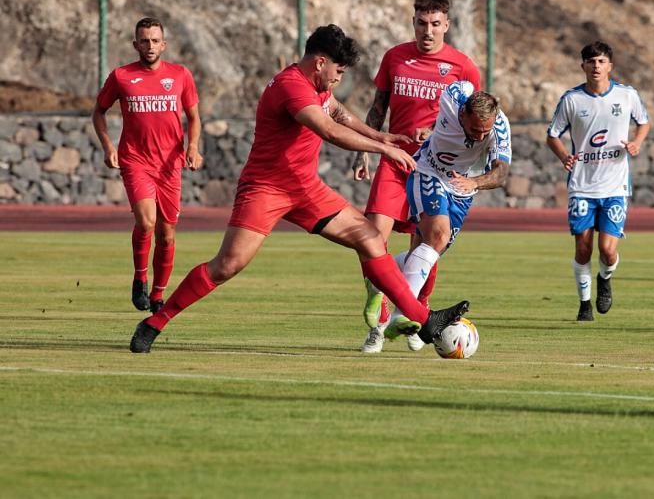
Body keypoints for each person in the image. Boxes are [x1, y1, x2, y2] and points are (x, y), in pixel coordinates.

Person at [129, 24, 469, 353]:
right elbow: (329, 130)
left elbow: (336, 111)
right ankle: (156, 322)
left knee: (368, 238)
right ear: (320, 62)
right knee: (227, 264)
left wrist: (379, 135)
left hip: (306, 188)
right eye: (339, 70)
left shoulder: (319, 84)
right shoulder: (291, 86)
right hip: (266, 188)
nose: (340, 78)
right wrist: (386, 149)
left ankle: (425, 319)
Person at [352, 0, 481, 354]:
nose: (428, 30)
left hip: (435, 169)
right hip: (394, 161)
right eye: (422, 23)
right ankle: (378, 324)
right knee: (371, 239)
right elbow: (378, 109)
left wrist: (440, 136)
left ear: (447, 25)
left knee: (424, 249)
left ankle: (416, 318)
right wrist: (364, 148)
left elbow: (475, 122)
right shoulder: (395, 57)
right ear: (414, 22)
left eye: (436, 23)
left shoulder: (463, 67)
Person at [380, 80, 511, 341]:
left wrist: (474, 182)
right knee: (438, 236)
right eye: (475, 129)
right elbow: (459, 91)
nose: (481, 137)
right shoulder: (454, 96)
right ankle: (402, 314)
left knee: (426, 254)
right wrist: (431, 129)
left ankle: (378, 275)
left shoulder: (499, 127)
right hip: (428, 171)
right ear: (462, 113)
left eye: (485, 131)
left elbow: (501, 175)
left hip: (463, 186)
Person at [92, 17, 203, 314]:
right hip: (135, 160)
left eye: (155, 40)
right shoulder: (121, 76)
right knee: (146, 222)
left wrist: (192, 147)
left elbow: (193, 117)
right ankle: (140, 277)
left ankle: (157, 294)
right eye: (144, 40)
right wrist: (108, 146)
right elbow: (99, 112)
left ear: (163, 44)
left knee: (167, 234)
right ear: (135, 44)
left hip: (170, 165)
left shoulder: (180, 75)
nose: (150, 45)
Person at [545, 41, 650, 321]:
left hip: (615, 185)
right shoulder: (571, 100)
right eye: (591, 61)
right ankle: (584, 304)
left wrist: (637, 143)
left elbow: (644, 122)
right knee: (583, 247)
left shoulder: (627, 96)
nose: (596, 66)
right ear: (583, 66)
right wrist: (564, 156)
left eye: (601, 61)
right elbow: (552, 135)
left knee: (607, 249)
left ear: (610, 66)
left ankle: (605, 278)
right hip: (581, 185)